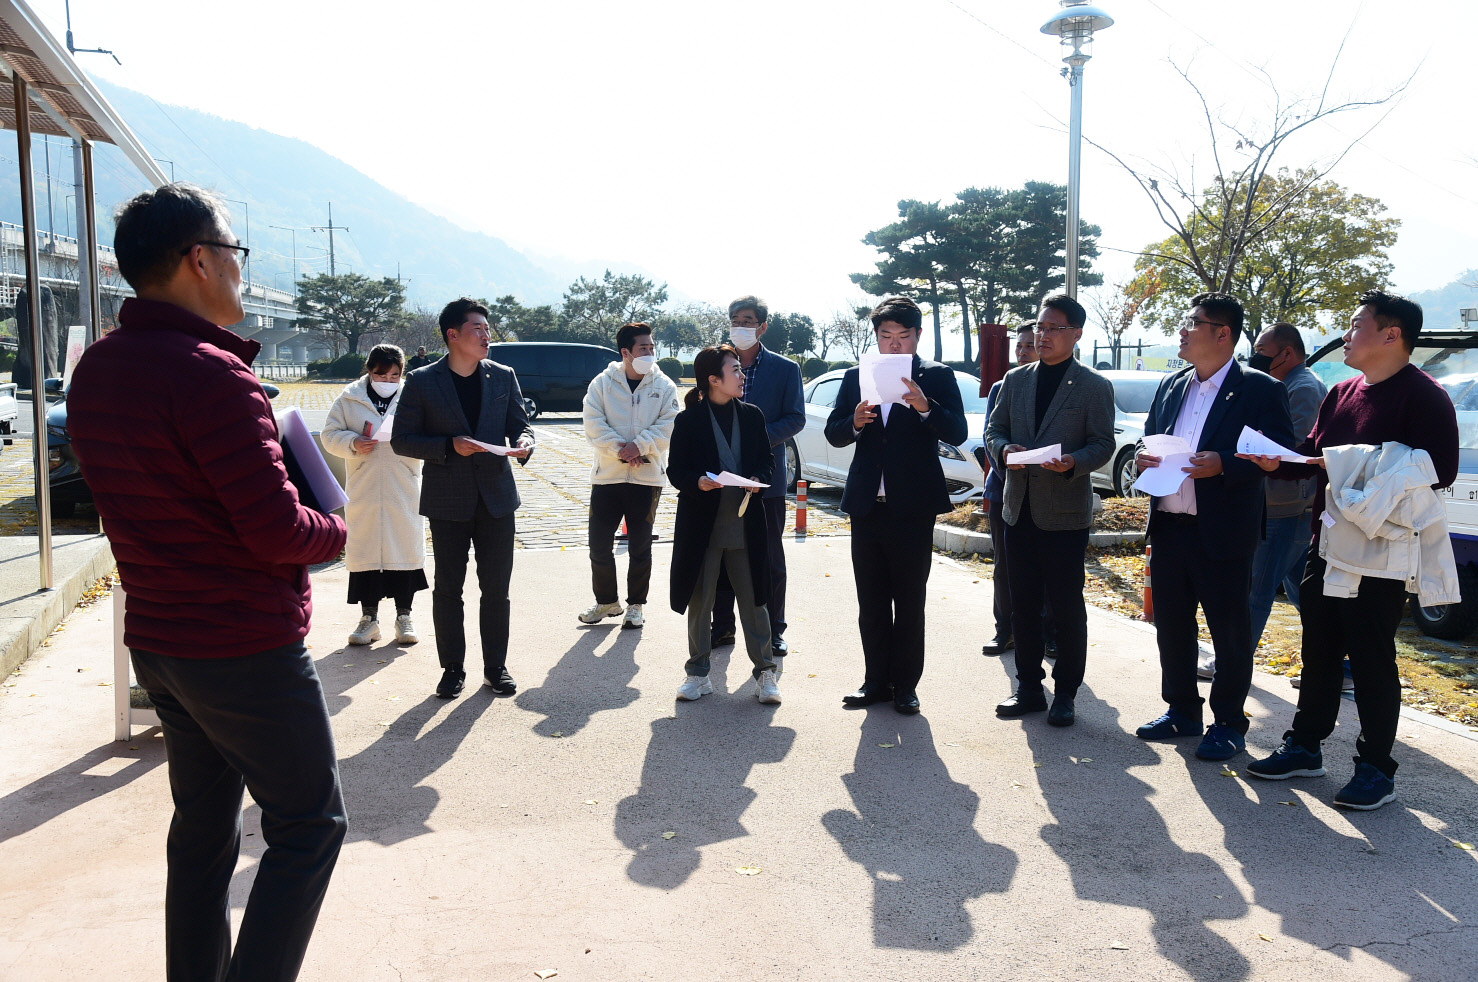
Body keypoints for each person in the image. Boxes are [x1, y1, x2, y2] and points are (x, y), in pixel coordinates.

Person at [68, 183, 348, 981]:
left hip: (161, 638)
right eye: (234, 253)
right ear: (199, 260)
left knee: (202, 834)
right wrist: (336, 526)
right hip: (242, 642)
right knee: (309, 824)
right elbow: (274, 529)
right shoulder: (213, 376)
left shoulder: (97, 370)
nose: (237, 270)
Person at [1241, 290, 1458, 810]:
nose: (1347, 334)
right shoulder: (1342, 392)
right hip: (1328, 542)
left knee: (1371, 659)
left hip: (1381, 553)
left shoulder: (1424, 396)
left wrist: (1345, 465)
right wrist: (1277, 461)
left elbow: (1440, 470)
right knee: (1317, 650)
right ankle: (1305, 747)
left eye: (1357, 325)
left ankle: (1376, 769)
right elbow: (1313, 453)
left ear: (1392, 334)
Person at [1133, 293, 1295, 760]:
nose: (1182, 330)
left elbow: (1279, 452)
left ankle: (1228, 722)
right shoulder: (1172, 385)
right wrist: (1146, 458)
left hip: (1222, 529)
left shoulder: (1260, 389)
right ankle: (1182, 710)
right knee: (1172, 625)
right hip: (1168, 523)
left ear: (1222, 333)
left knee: (1228, 630)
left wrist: (1222, 464)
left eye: (1193, 323)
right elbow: (1151, 434)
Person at [825, 296, 967, 714]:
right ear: (877, 338)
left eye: (903, 337)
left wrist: (926, 408)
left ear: (917, 337)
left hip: (912, 506)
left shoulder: (936, 376)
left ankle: (906, 685)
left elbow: (957, 431)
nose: (894, 345)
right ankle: (874, 682)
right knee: (870, 602)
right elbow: (835, 433)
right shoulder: (857, 376)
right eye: (886, 336)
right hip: (868, 504)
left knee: (908, 601)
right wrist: (853, 421)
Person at [391, 297, 534, 699]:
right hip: (447, 500)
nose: (487, 336)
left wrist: (524, 442)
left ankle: (495, 667)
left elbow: (521, 426)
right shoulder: (422, 381)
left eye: (488, 329)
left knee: (496, 589)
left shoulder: (503, 376)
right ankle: (452, 668)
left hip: (497, 499)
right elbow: (403, 440)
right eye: (478, 329)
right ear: (453, 335)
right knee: (448, 588)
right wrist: (450, 445)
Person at [985, 293, 1115, 727]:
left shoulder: (1094, 386)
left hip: (1063, 514)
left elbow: (1102, 444)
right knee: (1021, 603)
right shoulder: (1015, 381)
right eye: (1039, 328)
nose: (1042, 336)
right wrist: (1005, 451)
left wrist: (1074, 462)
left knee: (1064, 605)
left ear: (1076, 334)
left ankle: (1065, 693)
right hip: (1017, 509)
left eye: (1053, 328)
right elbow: (993, 430)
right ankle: (1027, 687)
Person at [667, 345, 782, 704]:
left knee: (754, 600)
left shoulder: (751, 416)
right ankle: (697, 673)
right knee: (700, 602)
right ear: (713, 380)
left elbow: (767, 463)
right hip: (703, 525)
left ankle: (766, 672)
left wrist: (754, 478)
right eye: (735, 370)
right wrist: (697, 482)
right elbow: (676, 471)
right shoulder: (688, 420)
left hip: (745, 523)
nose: (742, 375)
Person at [710, 296, 806, 657]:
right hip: (721, 477)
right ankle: (722, 628)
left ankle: (773, 628)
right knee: (720, 555)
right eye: (735, 319)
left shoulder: (784, 369)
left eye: (748, 320)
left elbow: (795, 418)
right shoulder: (718, 363)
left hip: (764, 478)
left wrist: (753, 438)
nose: (740, 326)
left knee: (767, 557)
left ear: (763, 326)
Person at [321, 343, 428, 646]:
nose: (388, 381)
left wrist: (406, 441)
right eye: (382, 375)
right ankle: (369, 618)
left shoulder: (412, 394)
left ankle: (404, 616)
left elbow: (428, 431)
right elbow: (330, 434)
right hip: (364, 484)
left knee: (403, 549)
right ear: (369, 371)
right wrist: (353, 442)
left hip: (402, 484)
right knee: (365, 550)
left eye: (394, 376)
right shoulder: (349, 397)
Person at [579, 321, 680, 629]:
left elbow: (669, 425)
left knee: (640, 546)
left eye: (652, 347)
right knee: (598, 544)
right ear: (626, 352)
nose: (650, 353)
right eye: (643, 348)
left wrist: (640, 446)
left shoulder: (664, 386)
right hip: (607, 476)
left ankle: (636, 605)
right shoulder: (602, 383)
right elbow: (593, 423)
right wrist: (620, 450)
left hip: (646, 479)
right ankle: (607, 601)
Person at [1246, 323, 1328, 649]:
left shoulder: (1303, 388)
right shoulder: (1286, 384)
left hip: (1288, 507)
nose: (1255, 359)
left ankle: (1232, 663)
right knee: (1303, 592)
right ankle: (1334, 664)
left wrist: (1255, 446)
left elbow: (1297, 448)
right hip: (1285, 504)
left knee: (1257, 587)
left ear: (1287, 353)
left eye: (1262, 352)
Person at [981, 322, 1048, 656]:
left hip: (1050, 493)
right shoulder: (1001, 387)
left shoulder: (1061, 387)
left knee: (1047, 569)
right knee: (1004, 568)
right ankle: (1004, 630)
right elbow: (990, 437)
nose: (1022, 352)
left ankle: (1049, 634)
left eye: (1029, 346)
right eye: (1019, 346)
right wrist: (1006, 462)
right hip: (1004, 492)